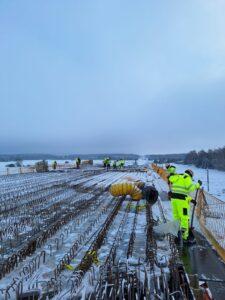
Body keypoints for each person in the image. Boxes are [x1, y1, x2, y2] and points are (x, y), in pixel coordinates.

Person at [168, 169, 202, 243]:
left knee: (176, 217)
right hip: (182, 202)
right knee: (184, 218)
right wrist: (198, 185)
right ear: (190, 174)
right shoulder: (187, 178)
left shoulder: (177, 176)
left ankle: (176, 234)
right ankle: (184, 237)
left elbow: (180, 192)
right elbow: (190, 188)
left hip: (174, 200)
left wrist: (190, 200)